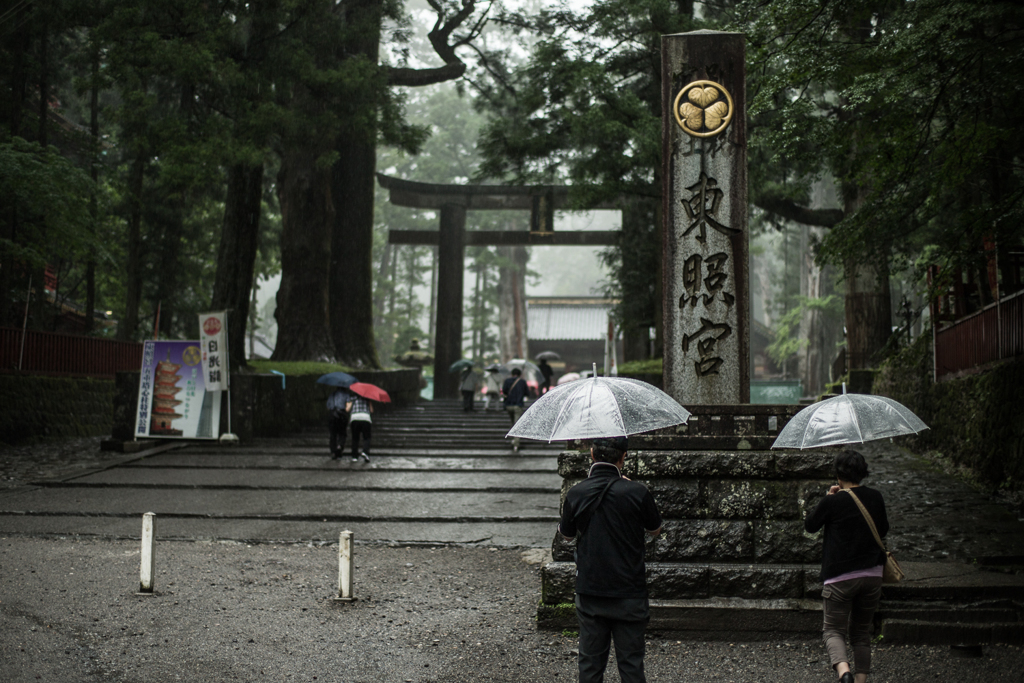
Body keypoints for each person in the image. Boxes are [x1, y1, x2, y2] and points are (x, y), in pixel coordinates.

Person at [558, 436, 662, 683]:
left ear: (592, 454)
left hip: (591, 590)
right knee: (632, 664)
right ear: (623, 457)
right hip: (630, 591)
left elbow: (566, 536)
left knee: (590, 665)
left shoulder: (577, 493)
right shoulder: (637, 492)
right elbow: (654, 529)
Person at [805, 449, 889, 683]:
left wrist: (829, 498)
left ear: (838, 474)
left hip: (840, 578)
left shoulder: (833, 501)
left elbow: (810, 525)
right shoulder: (876, 497)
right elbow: (882, 531)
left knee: (833, 630)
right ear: (863, 473)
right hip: (872, 575)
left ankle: (845, 673)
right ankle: (860, 680)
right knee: (861, 633)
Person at [501, 368, 528, 452]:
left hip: (509, 405)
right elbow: (527, 393)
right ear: (520, 374)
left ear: (512, 374)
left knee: (513, 422)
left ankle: (514, 440)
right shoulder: (522, 382)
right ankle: (516, 444)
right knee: (517, 424)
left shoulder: (507, 381)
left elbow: (504, 391)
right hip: (518, 405)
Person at [346, 392, 374, 463]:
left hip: (355, 418)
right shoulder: (367, 399)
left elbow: (347, 409)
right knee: (367, 437)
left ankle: (354, 456)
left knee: (355, 438)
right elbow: (371, 410)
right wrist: (369, 402)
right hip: (365, 418)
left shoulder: (352, 399)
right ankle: (365, 452)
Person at [326, 388, 350, 459]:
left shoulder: (332, 395)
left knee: (333, 434)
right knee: (342, 433)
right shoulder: (346, 395)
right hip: (342, 416)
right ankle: (340, 445)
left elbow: (328, 406)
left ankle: (333, 451)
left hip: (332, 416)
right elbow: (347, 408)